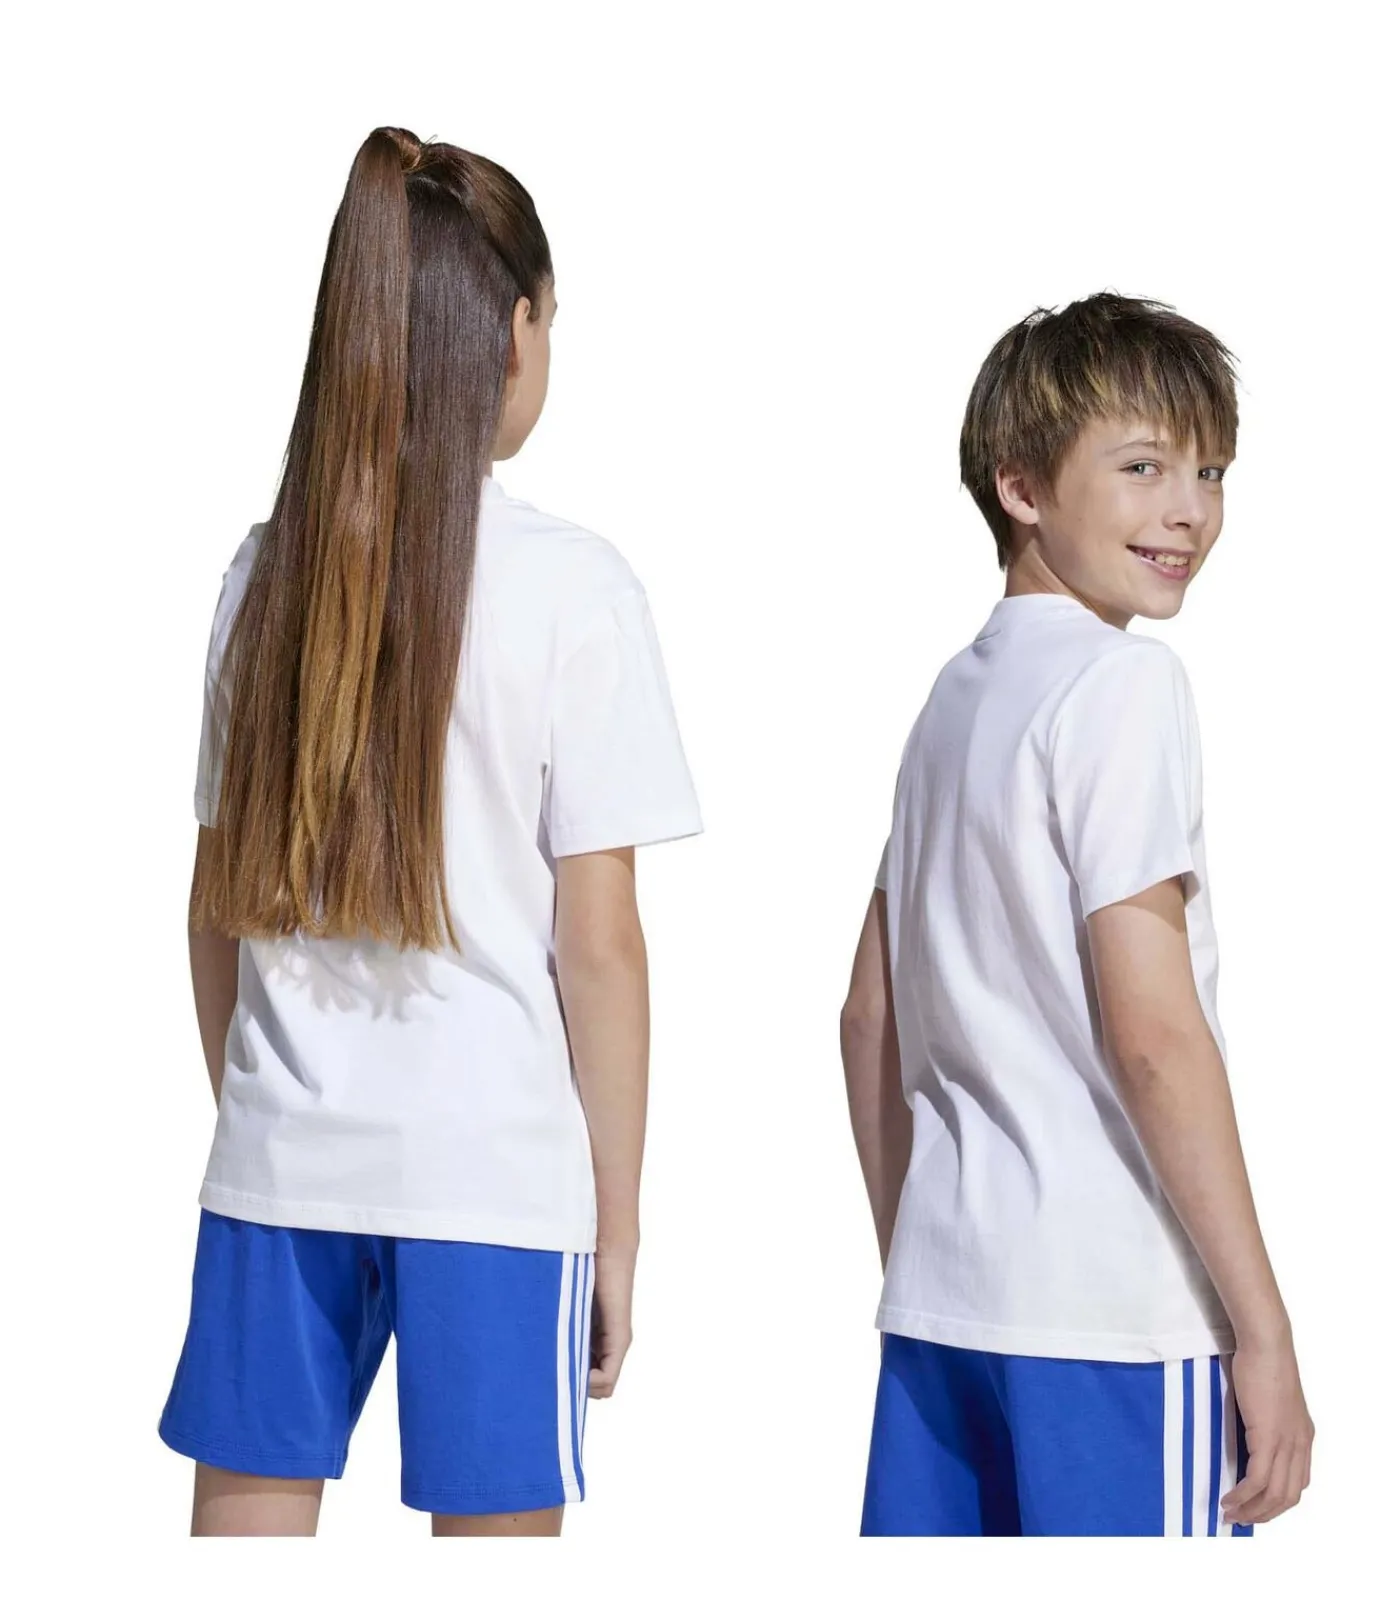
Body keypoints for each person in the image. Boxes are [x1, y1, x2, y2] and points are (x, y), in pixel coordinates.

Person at [159, 126, 702, 1537]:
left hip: (278, 1168)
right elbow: (601, 950)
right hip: (495, 1178)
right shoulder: (574, 588)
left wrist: (268, 1126)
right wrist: (620, 1228)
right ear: (511, 335)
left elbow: (214, 908)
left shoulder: (262, 573)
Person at [841, 293, 1313, 1537]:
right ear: (1020, 486)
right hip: (1110, 1315)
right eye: (1142, 466)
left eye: (1210, 471)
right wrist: (1261, 1331)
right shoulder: (1120, 684)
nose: (1188, 509)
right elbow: (1151, 1034)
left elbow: (866, 1015)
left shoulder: (953, 702)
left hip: (945, 1312)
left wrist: (922, 1249)